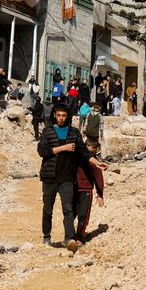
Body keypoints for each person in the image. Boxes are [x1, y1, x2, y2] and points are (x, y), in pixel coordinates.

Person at [37, 103, 107, 249]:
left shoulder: (74, 133)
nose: (61, 118)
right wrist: (63, 148)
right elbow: (42, 151)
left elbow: (83, 151)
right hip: (49, 177)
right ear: (54, 115)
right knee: (47, 209)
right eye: (58, 115)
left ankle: (69, 239)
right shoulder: (47, 131)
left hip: (67, 178)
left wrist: (96, 162)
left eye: (64, 115)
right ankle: (46, 237)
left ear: (67, 116)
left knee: (68, 209)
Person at [74, 140, 105, 246]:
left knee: (83, 215)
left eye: (92, 150)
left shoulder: (95, 162)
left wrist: (99, 195)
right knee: (71, 213)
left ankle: (79, 237)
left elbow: (98, 179)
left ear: (96, 150)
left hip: (86, 190)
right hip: (73, 189)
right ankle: (69, 235)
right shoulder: (77, 157)